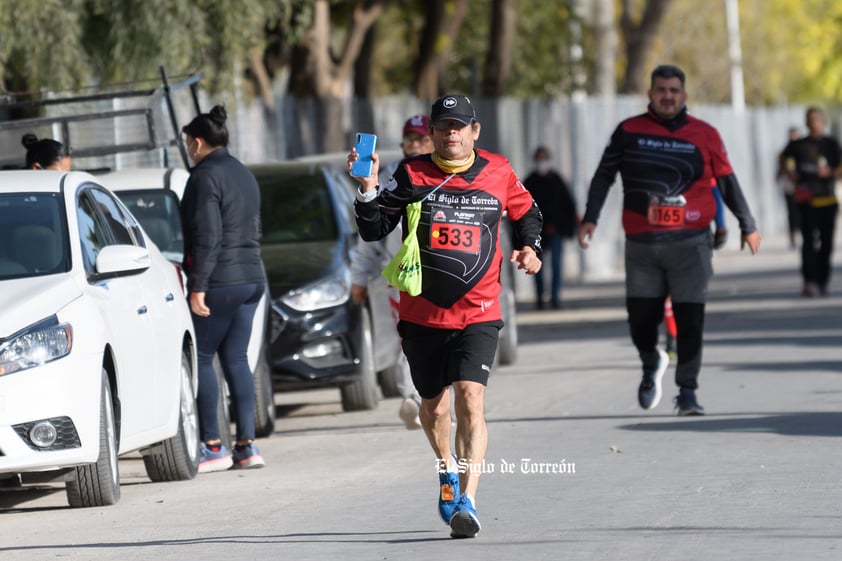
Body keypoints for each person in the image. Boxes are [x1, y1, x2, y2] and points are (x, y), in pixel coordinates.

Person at [347, 94, 543, 539]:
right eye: (442, 127)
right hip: (423, 314)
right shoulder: (412, 173)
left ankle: (468, 501)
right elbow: (375, 228)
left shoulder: (499, 170)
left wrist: (531, 248)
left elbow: (526, 211)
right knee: (434, 407)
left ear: (475, 132)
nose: (450, 133)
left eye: (459, 126)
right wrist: (367, 188)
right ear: (431, 134)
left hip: (480, 310)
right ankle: (446, 470)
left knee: (471, 397)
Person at [577, 65, 761, 416]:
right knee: (640, 320)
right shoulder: (628, 130)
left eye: (674, 90)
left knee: (690, 318)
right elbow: (604, 175)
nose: (667, 96)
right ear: (650, 93)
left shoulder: (705, 134)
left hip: (691, 243)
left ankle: (687, 391)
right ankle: (651, 359)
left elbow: (726, 181)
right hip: (642, 244)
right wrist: (591, 217)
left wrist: (747, 224)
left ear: (684, 95)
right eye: (661, 89)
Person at [179, 105, 267, 472]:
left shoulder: (203, 177)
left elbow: (208, 237)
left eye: (188, 143)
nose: (188, 150)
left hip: (220, 282)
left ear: (198, 143)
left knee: (201, 358)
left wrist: (197, 286)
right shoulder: (243, 173)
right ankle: (247, 447)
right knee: (237, 359)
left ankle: (213, 446)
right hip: (252, 278)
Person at [349, 114, 434, 430]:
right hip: (400, 276)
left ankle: (431, 396)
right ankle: (413, 397)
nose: (414, 145)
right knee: (409, 337)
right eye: (409, 140)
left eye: (421, 139)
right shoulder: (387, 178)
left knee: (440, 337)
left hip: (439, 274)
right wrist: (359, 278)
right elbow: (370, 234)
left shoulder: (445, 175)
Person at [781, 108, 840, 297]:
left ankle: (822, 281)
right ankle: (810, 281)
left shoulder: (831, 144)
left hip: (827, 200)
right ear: (806, 123)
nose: (814, 123)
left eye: (817, 120)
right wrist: (791, 174)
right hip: (806, 200)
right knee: (808, 242)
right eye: (811, 120)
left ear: (823, 122)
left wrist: (831, 173)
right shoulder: (798, 145)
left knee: (826, 244)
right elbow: (783, 158)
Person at [523, 146, 577, 309]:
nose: (542, 163)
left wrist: (568, 226)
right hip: (536, 233)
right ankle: (540, 297)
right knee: (536, 265)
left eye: (544, 159)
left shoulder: (556, 180)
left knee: (556, 264)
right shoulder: (530, 181)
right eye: (539, 159)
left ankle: (554, 297)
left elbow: (568, 205)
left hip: (555, 231)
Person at [777, 126, 802, 249]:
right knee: (792, 212)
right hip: (789, 186)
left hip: (803, 187)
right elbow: (781, 167)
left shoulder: (803, 148)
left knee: (803, 212)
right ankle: (793, 235)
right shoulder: (785, 152)